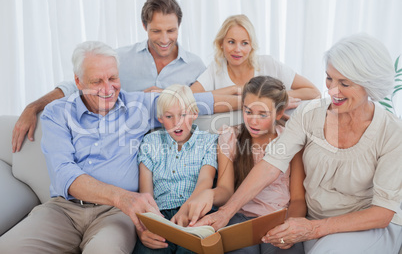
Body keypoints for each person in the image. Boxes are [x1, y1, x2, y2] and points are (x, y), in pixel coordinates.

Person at [0, 41, 237, 253]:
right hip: (64, 209)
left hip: (115, 215)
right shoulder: (57, 113)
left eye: (113, 78)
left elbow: (199, 103)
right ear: (78, 81)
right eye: (97, 81)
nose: (108, 89)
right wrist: (122, 197)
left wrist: (257, 104)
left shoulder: (137, 105)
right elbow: (64, 173)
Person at [195, 34, 402, 253]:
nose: (333, 90)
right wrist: (225, 212)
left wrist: (312, 229)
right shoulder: (309, 113)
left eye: (345, 83)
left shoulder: (392, 132)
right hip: (311, 222)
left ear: (369, 84)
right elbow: (270, 165)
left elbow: (382, 213)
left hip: (364, 227)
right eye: (329, 78)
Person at [12, 0, 206, 153]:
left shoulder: (195, 66)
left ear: (179, 27)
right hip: (125, 150)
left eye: (171, 31)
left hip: (173, 153)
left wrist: (167, 97)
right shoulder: (121, 57)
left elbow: (204, 103)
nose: (165, 39)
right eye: (156, 31)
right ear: (144, 26)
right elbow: (76, 86)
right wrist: (33, 107)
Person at [173, 76, 306, 254]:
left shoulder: (289, 141)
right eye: (248, 111)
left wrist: (290, 225)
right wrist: (209, 194)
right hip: (240, 219)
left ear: (279, 113)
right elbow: (225, 190)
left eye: (263, 114)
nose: (253, 121)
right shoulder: (231, 137)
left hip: (278, 219)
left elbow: (298, 199)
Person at [133, 84, 218, 253]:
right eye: (169, 116)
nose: (176, 122)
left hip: (196, 213)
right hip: (160, 215)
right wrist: (145, 228)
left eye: (183, 115)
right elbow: (146, 194)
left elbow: (205, 181)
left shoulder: (208, 141)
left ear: (194, 113)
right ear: (160, 118)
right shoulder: (150, 142)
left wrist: (187, 210)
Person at [190, 14, 320, 108]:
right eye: (231, 42)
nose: (237, 49)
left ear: (251, 46)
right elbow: (189, 98)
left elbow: (314, 92)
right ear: (221, 43)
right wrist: (233, 90)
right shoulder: (216, 68)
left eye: (244, 43)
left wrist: (269, 97)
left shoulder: (268, 64)